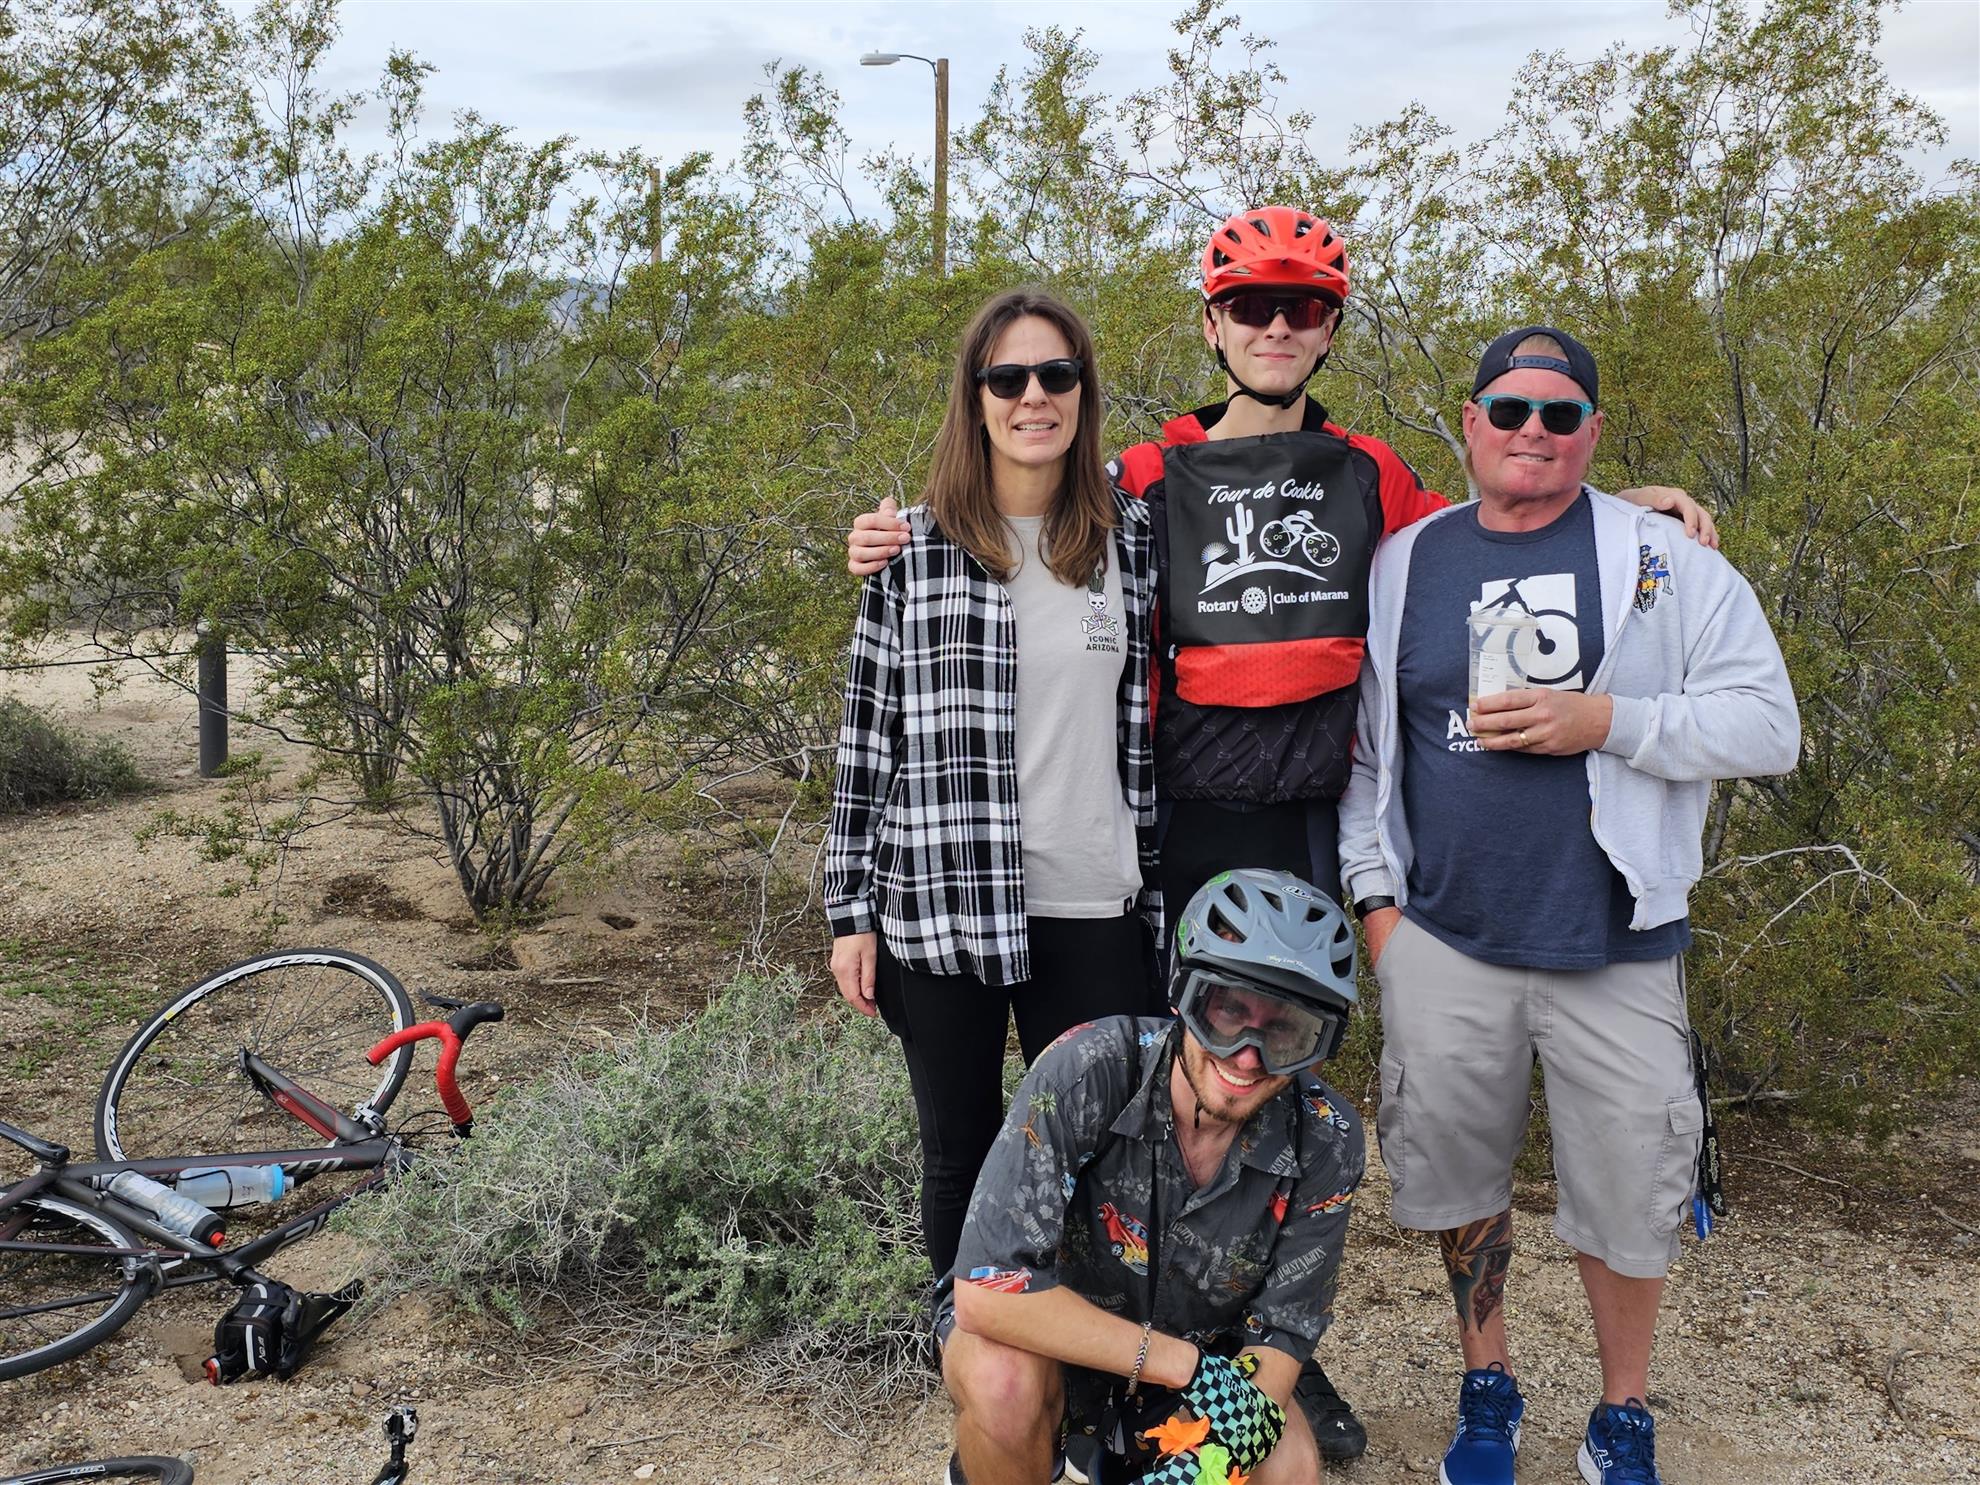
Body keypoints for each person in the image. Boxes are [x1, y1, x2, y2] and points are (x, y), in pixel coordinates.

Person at [848, 207, 1716, 1460]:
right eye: (1250, 306)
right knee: (1164, 1099)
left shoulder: (1368, 470)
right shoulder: (1144, 476)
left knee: (1278, 1087)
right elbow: (1019, 511)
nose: (1274, 326)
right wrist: (894, 537)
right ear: (1212, 325)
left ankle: (1271, 1363)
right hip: (1176, 829)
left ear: (1328, 329)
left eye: (1300, 307)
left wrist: (1624, 504)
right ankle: (1061, 1369)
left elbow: (1493, 523)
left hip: (1307, 824)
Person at [1339, 326, 1800, 1485]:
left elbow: (1768, 724)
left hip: (1616, 940)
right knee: (1459, 1180)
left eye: (1559, 413)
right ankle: (1486, 1384)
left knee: (1631, 1189)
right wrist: (1380, 911)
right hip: (1445, 938)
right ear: (1471, 424)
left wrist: (1611, 724)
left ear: (1593, 432)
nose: (1532, 431)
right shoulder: (1407, 560)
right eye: (1509, 410)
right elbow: (1370, 753)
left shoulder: (1661, 558)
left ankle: (1621, 1414)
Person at [825, 288, 1161, 1292]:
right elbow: (867, 739)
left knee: (1100, 1162)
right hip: (943, 904)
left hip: (1093, 903)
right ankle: (974, 1356)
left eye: (1056, 374)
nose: (1033, 397)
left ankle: (1090, 1365)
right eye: (1007, 378)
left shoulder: (1133, 540)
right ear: (975, 398)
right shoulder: (913, 550)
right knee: (960, 1156)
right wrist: (850, 913)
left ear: (1083, 391)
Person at [938, 869, 1366, 1485]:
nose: (1248, 1056)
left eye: (1287, 1031)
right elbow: (986, 1291)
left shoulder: (1327, 1138)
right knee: (1000, 1383)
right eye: (1227, 1011)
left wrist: (1209, 1457)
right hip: (1058, 1341)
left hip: (1210, 1365)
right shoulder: (1087, 1068)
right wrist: (1182, 1365)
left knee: (1288, 1466)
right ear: (1183, 995)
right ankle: (1020, 1453)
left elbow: (1281, 1335)